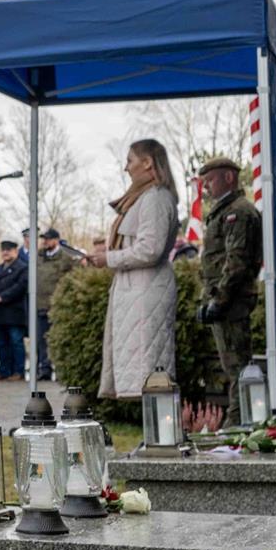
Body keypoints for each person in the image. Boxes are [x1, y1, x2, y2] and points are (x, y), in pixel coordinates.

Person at [85, 139, 180, 402]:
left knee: (151, 374)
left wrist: (110, 258)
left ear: (147, 162)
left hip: (147, 290)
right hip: (136, 290)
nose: (126, 168)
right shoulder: (144, 198)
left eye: (130, 160)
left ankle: (160, 436)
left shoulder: (156, 198)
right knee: (142, 374)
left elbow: (150, 249)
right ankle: (153, 435)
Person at [194, 157, 262, 422]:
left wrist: (219, 301)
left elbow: (236, 262)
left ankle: (239, 424)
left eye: (210, 180)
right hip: (224, 300)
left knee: (238, 368)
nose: (207, 188)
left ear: (229, 178)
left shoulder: (238, 212)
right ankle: (241, 421)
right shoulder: (225, 211)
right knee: (232, 366)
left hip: (232, 301)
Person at [31, 227, 77, 381]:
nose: (45, 241)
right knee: (41, 340)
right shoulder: (38, 257)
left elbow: (72, 280)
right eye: (44, 239)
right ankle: (45, 369)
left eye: (48, 239)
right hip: (40, 305)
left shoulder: (65, 258)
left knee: (59, 339)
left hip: (58, 306)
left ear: (56, 240)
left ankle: (61, 370)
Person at [0, 240, 29, 382]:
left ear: (16, 251)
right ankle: (4, 371)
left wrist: (1, 297)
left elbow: (19, 287)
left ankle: (18, 371)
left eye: (9, 250)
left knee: (16, 341)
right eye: (3, 250)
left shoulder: (22, 268)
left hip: (14, 312)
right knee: (2, 343)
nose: (5, 252)